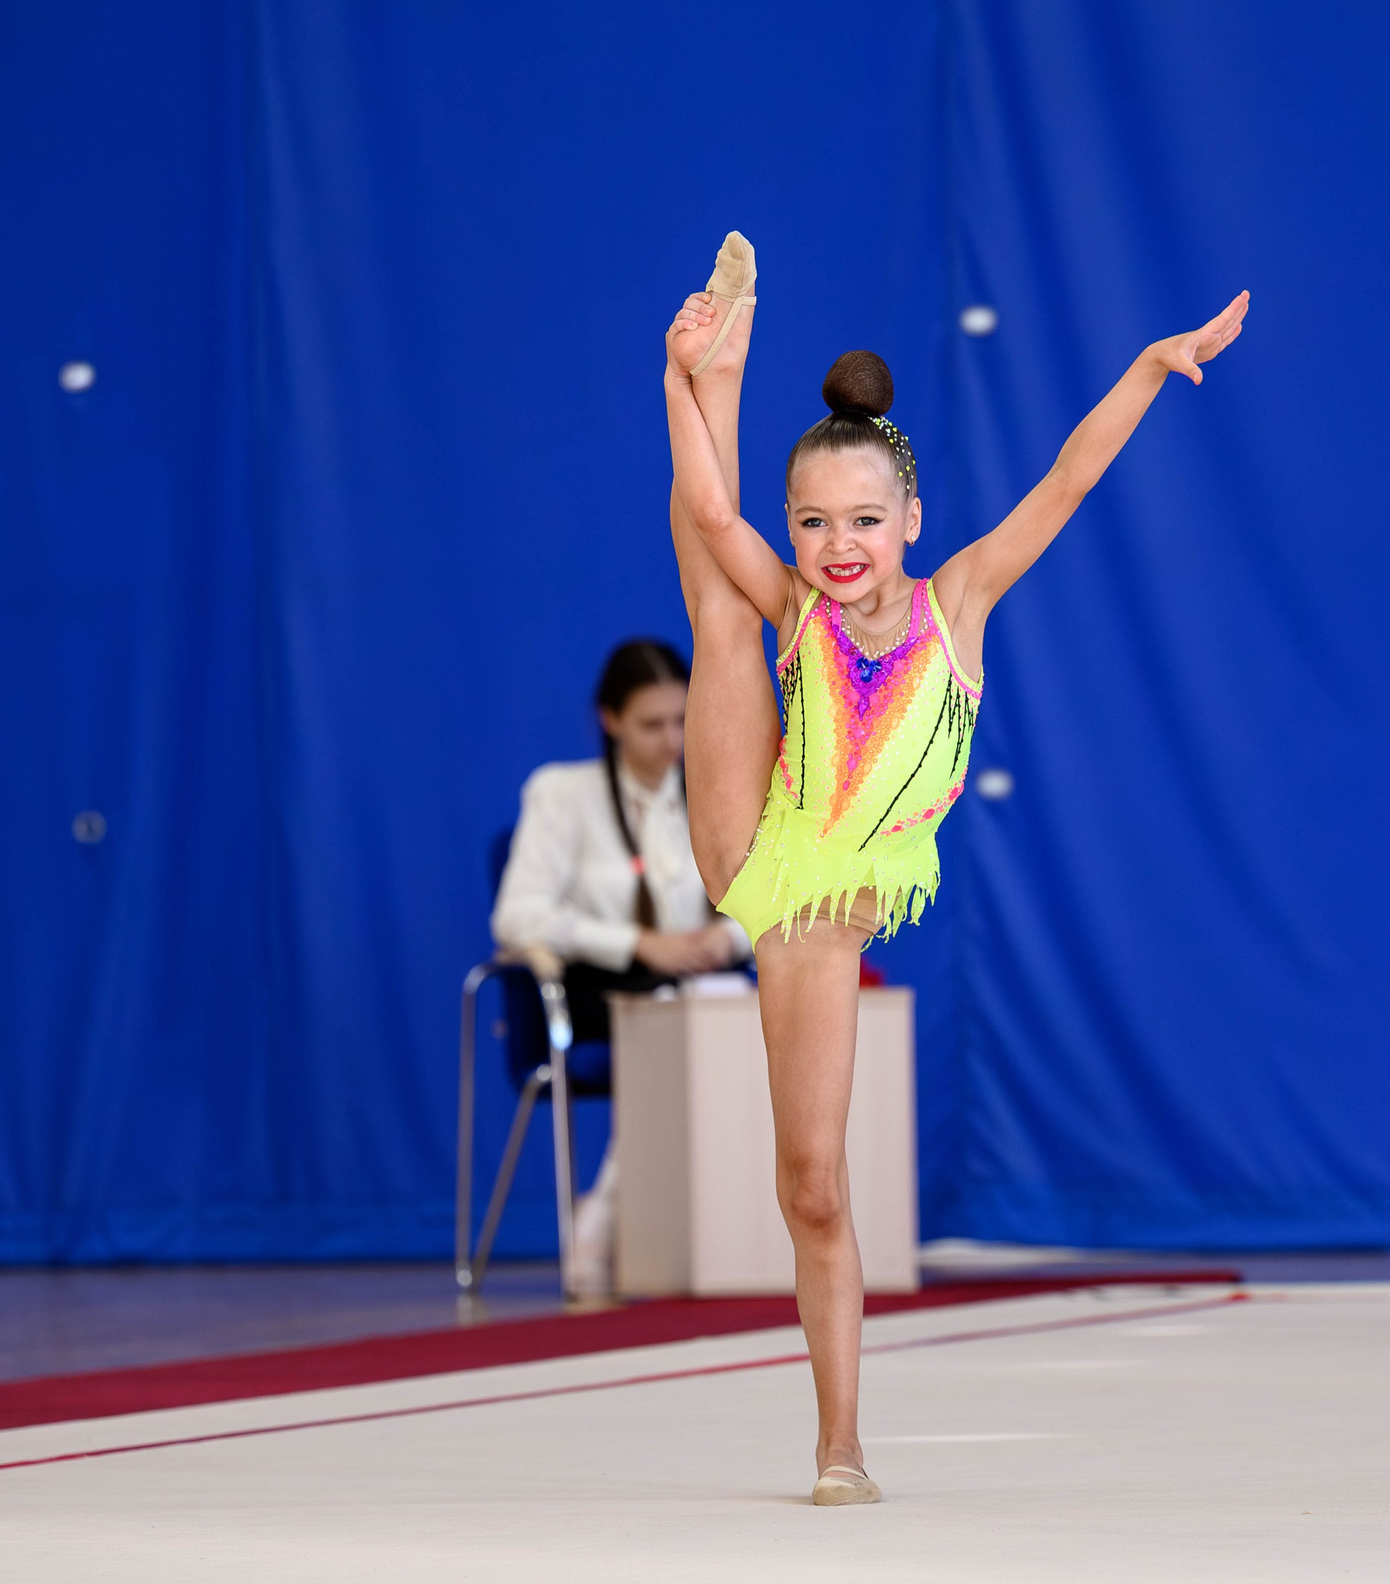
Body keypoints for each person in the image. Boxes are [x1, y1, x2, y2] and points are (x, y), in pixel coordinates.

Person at [662, 231, 1247, 1504]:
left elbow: (1068, 479)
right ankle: (723, 366)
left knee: (811, 1185)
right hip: (760, 849)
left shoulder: (958, 603)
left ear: (912, 520)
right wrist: (675, 379)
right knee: (716, 600)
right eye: (812, 522)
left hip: (823, 905)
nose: (838, 544)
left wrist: (1151, 366)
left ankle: (841, 1443)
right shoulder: (797, 608)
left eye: (864, 520)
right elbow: (712, 515)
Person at [491, 638, 752, 1295]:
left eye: (681, 721)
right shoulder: (562, 794)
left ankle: (732, 1243)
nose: (671, 742)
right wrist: (637, 944)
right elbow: (517, 916)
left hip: (698, 992)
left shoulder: (715, 792)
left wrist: (726, 937)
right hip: (598, 994)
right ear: (609, 720)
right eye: (651, 724)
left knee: (737, 1013)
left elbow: (766, 900)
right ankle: (604, 1219)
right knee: (671, 1022)